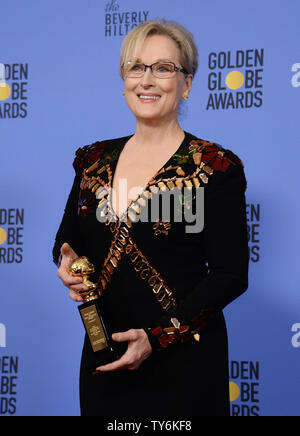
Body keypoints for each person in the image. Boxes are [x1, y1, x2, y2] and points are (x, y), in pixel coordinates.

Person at [53, 19, 249, 417]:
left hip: (184, 366)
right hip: (104, 359)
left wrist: (155, 338)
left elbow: (231, 275)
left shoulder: (213, 166)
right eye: (136, 67)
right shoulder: (92, 161)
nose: (147, 80)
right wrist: (67, 264)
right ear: (124, 78)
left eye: (163, 68)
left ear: (187, 84)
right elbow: (66, 241)